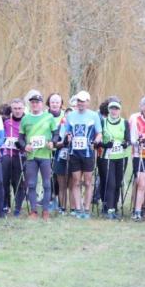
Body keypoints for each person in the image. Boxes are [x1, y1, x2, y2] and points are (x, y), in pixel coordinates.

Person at [60, 90, 102, 219]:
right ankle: (78, 208)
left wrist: (96, 141)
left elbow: (99, 133)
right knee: (76, 182)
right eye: (79, 101)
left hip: (88, 153)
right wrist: (68, 136)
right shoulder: (71, 116)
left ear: (88, 102)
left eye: (83, 101)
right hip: (74, 153)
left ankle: (87, 208)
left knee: (88, 182)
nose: (81, 103)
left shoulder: (94, 115)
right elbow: (66, 132)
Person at [18, 90, 59, 220]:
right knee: (31, 184)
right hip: (31, 156)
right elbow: (20, 138)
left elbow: (56, 134)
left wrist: (52, 142)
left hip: (45, 155)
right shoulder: (25, 118)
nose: (35, 105)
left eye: (37, 102)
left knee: (47, 184)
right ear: (30, 104)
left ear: (42, 104)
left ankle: (45, 211)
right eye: (32, 103)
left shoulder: (49, 117)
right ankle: (34, 211)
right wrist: (25, 146)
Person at [100, 97, 130, 219]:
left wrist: (125, 143)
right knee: (110, 182)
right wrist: (105, 144)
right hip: (107, 157)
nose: (114, 111)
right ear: (108, 110)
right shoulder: (103, 122)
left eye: (116, 109)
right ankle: (109, 208)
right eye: (112, 109)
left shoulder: (125, 122)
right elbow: (98, 140)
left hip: (121, 156)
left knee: (118, 183)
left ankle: (114, 207)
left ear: (119, 110)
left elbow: (128, 139)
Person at [1, 98, 26, 216]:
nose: (17, 111)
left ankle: (18, 206)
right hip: (8, 154)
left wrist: (22, 144)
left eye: (20, 108)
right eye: (15, 108)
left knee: (18, 181)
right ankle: (6, 204)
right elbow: (2, 137)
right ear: (11, 109)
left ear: (23, 109)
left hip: (20, 154)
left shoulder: (26, 121)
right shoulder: (7, 122)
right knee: (5, 180)